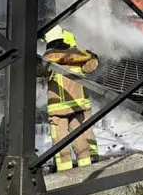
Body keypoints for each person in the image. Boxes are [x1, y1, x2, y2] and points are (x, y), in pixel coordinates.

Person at [40, 26, 100, 172]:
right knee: (79, 136)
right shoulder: (77, 54)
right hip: (77, 104)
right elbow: (89, 68)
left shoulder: (48, 57)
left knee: (60, 139)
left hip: (58, 107)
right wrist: (94, 57)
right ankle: (86, 166)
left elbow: (39, 71)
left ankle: (64, 169)